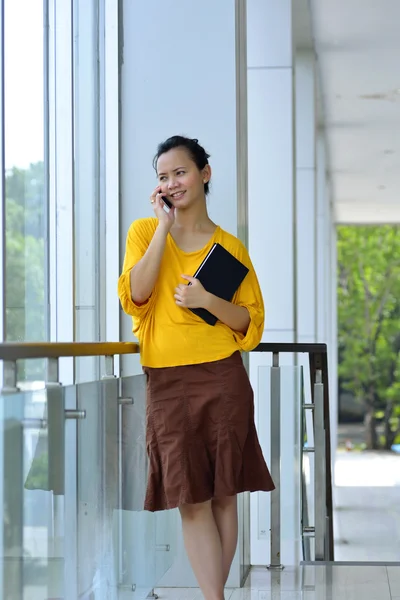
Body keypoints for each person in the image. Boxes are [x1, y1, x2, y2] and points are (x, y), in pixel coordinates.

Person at [118, 135, 274, 600]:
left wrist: (209, 300)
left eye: (180, 172)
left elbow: (251, 322)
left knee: (225, 495)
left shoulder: (230, 247)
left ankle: (213, 598)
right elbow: (137, 296)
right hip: (166, 381)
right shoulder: (145, 234)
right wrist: (164, 228)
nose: (172, 183)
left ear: (204, 174)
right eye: (163, 177)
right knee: (190, 499)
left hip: (223, 376)